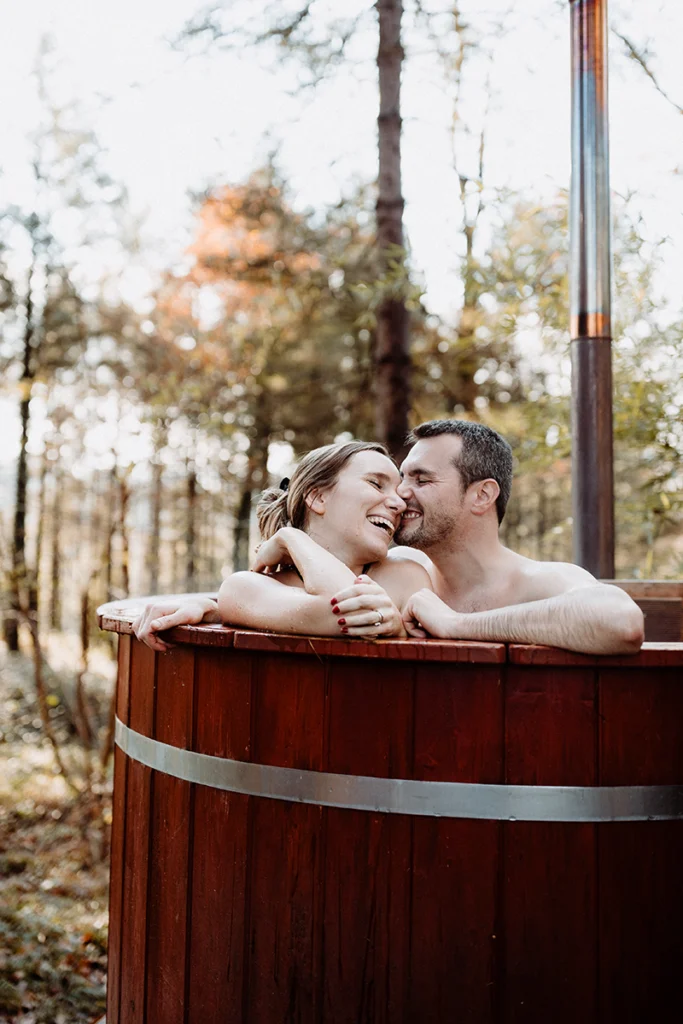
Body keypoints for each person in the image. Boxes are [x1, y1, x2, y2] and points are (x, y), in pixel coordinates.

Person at [132, 440, 432, 651]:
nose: (398, 503)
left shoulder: (408, 574)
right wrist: (293, 538)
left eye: (397, 492)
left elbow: (352, 606)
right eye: (376, 484)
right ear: (317, 498)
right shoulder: (245, 588)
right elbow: (355, 611)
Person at [384, 419, 644, 655]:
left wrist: (455, 624)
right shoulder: (401, 567)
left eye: (422, 480)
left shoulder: (538, 581)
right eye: (403, 478)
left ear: (482, 495)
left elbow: (623, 622)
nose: (400, 493)